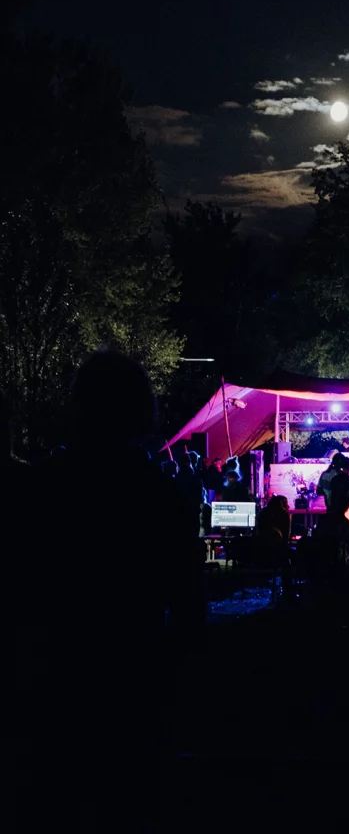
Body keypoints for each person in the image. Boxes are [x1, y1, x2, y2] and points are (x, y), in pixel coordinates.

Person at [40, 352, 203, 829]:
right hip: (137, 669)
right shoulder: (160, 493)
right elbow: (188, 605)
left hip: (60, 672)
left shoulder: (46, 487)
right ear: (143, 411)